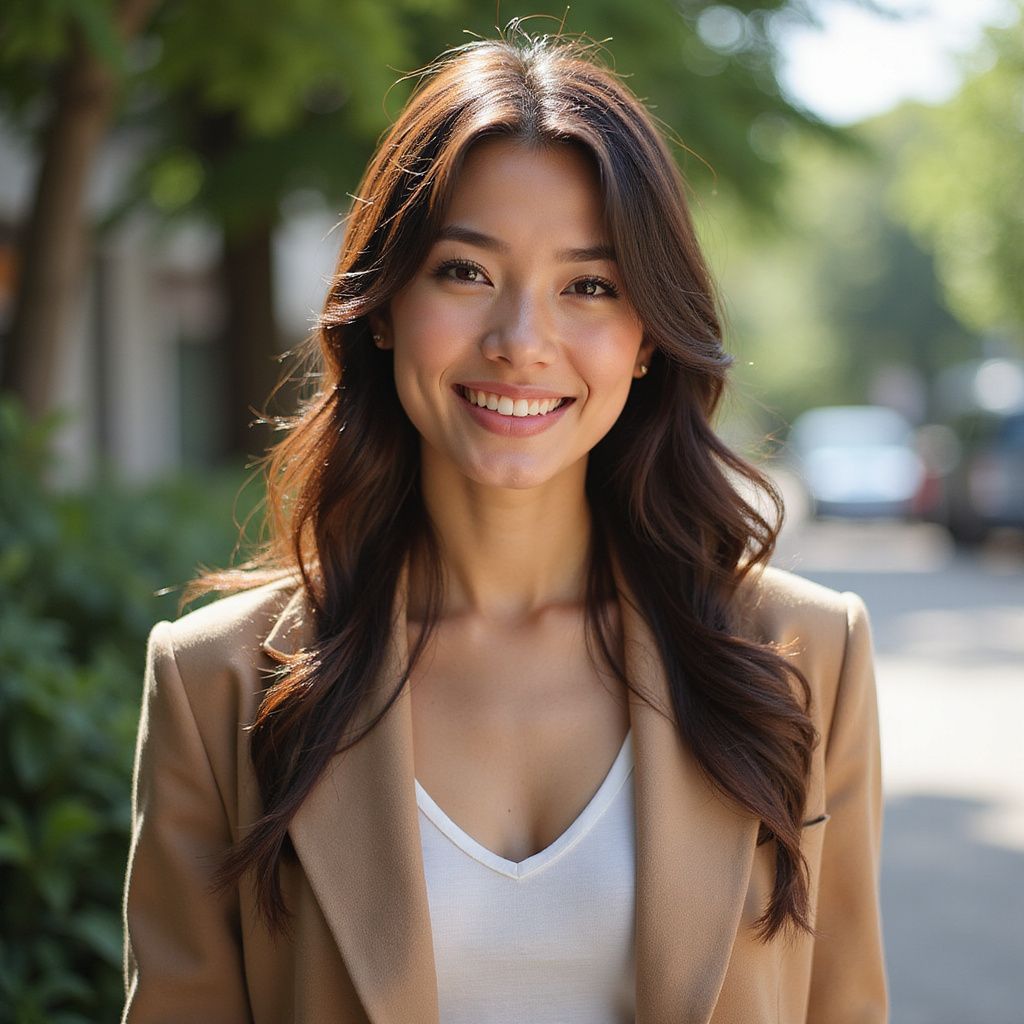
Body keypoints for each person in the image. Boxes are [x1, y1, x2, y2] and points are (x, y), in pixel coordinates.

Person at [121, 29, 887, 1024]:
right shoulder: (217, 683)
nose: (522, 341)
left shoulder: (803, 658)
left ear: (648, 337)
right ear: (384, 306)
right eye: (465, 272)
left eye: (589, 286)